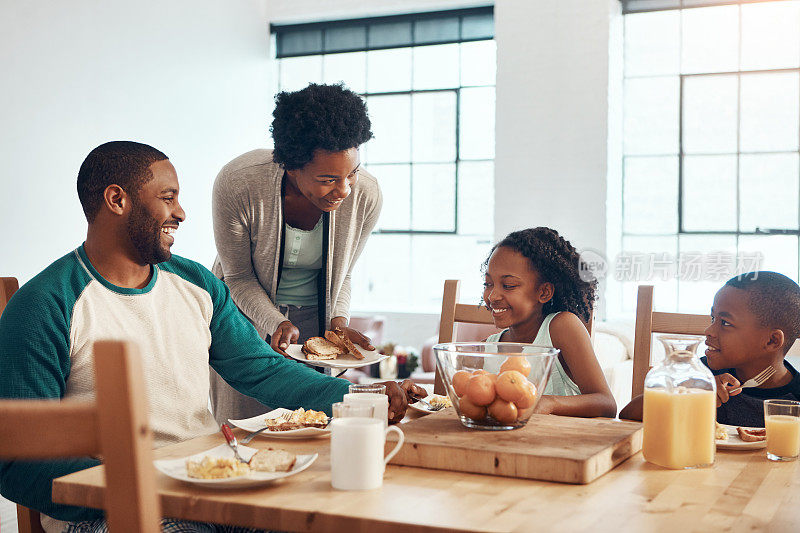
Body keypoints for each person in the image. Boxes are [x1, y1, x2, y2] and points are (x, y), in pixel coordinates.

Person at [0, 141, 422, 533]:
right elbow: (15, 460)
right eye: (168, 198)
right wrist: (134, 486)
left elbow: (261, 369)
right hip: (112, 508)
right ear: (117, 200)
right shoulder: (45, 304)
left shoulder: (196, 282)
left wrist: (356, 399)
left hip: (209, 482)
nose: (181, 213)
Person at [209, 83, 382, 424]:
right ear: (291, 165)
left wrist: (338, 324)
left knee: (316, 424)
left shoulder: (367, 195)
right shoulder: (239, 183)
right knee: (250, 429)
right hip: (244, 318)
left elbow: (342, 274)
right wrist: (276, 322)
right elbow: (238, 278)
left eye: (352, 173)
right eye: (328, 179)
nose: (344, 190)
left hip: (314, 326)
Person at [619, 271, 800, 426]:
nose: (708, 331)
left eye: (725, 323)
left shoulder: (796, 396)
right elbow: (628, 415)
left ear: (772, 341)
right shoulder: (702, 375)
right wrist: (686, 393)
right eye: (713, 318)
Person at [481, 227, 617, 418]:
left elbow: (606, 403)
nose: (493, 296)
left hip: (559, 443)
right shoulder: (490, 345)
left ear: (543, 292)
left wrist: (549, 402)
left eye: (508, 285)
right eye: (488, 284)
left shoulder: (561, 327)